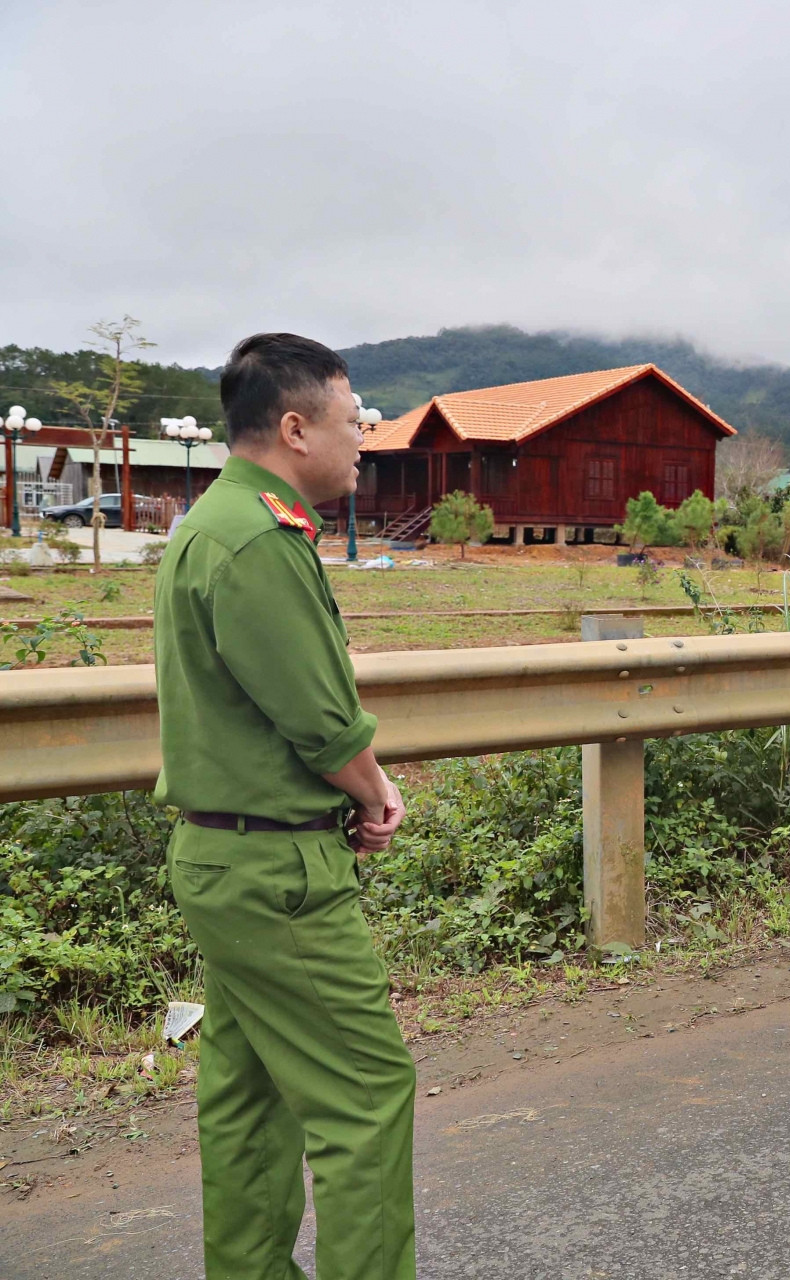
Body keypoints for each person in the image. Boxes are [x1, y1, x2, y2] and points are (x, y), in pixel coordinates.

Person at [155, 333, 415, 1277]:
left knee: (249, 1096)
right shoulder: (259, 538)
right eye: (354, 423)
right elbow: (319, 717)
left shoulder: (211, 520)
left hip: (223, 861)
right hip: (279, 875)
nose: (363, 441)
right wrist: (378, 789)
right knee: (368, 1093)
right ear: (295, 427)